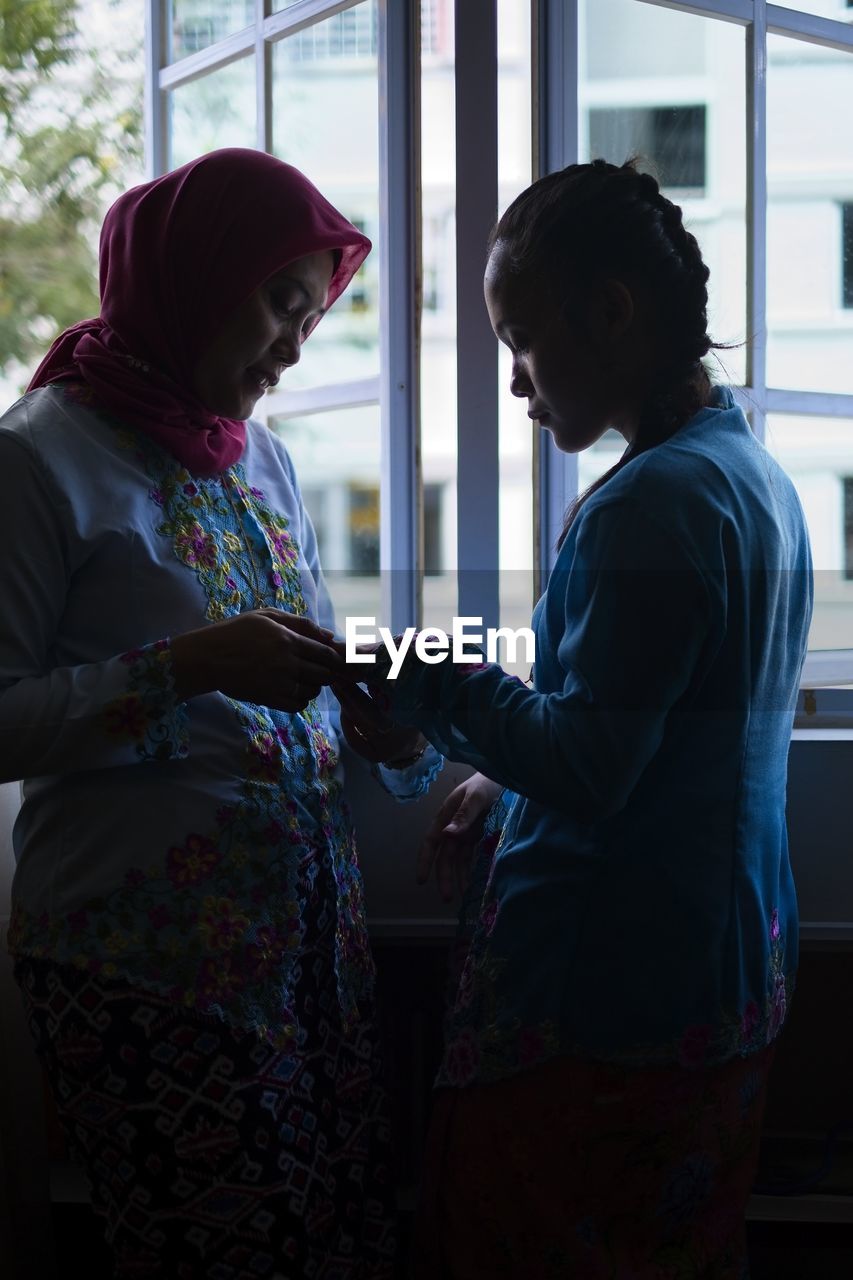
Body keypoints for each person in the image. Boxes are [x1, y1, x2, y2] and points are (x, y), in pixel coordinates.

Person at [337, 159, 814, 1278]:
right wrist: (506, 768)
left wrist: (421, 675)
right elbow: (662, 722)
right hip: (726, 968)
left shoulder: (649, 504)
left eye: (519, 341)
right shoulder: (755, 479)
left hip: (606, 994)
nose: (513, 384)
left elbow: (595, 770)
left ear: (609, 311)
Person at [0, 147, 439, 1280]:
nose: (298, 343)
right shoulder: (38, 460)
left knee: (327, 1241)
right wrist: (187, 666)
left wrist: (380, 724)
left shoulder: (266, 465)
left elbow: (286, 683)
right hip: (149, 962)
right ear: (188, 278)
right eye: (279, 303)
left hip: (302, 949)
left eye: (314, 311)